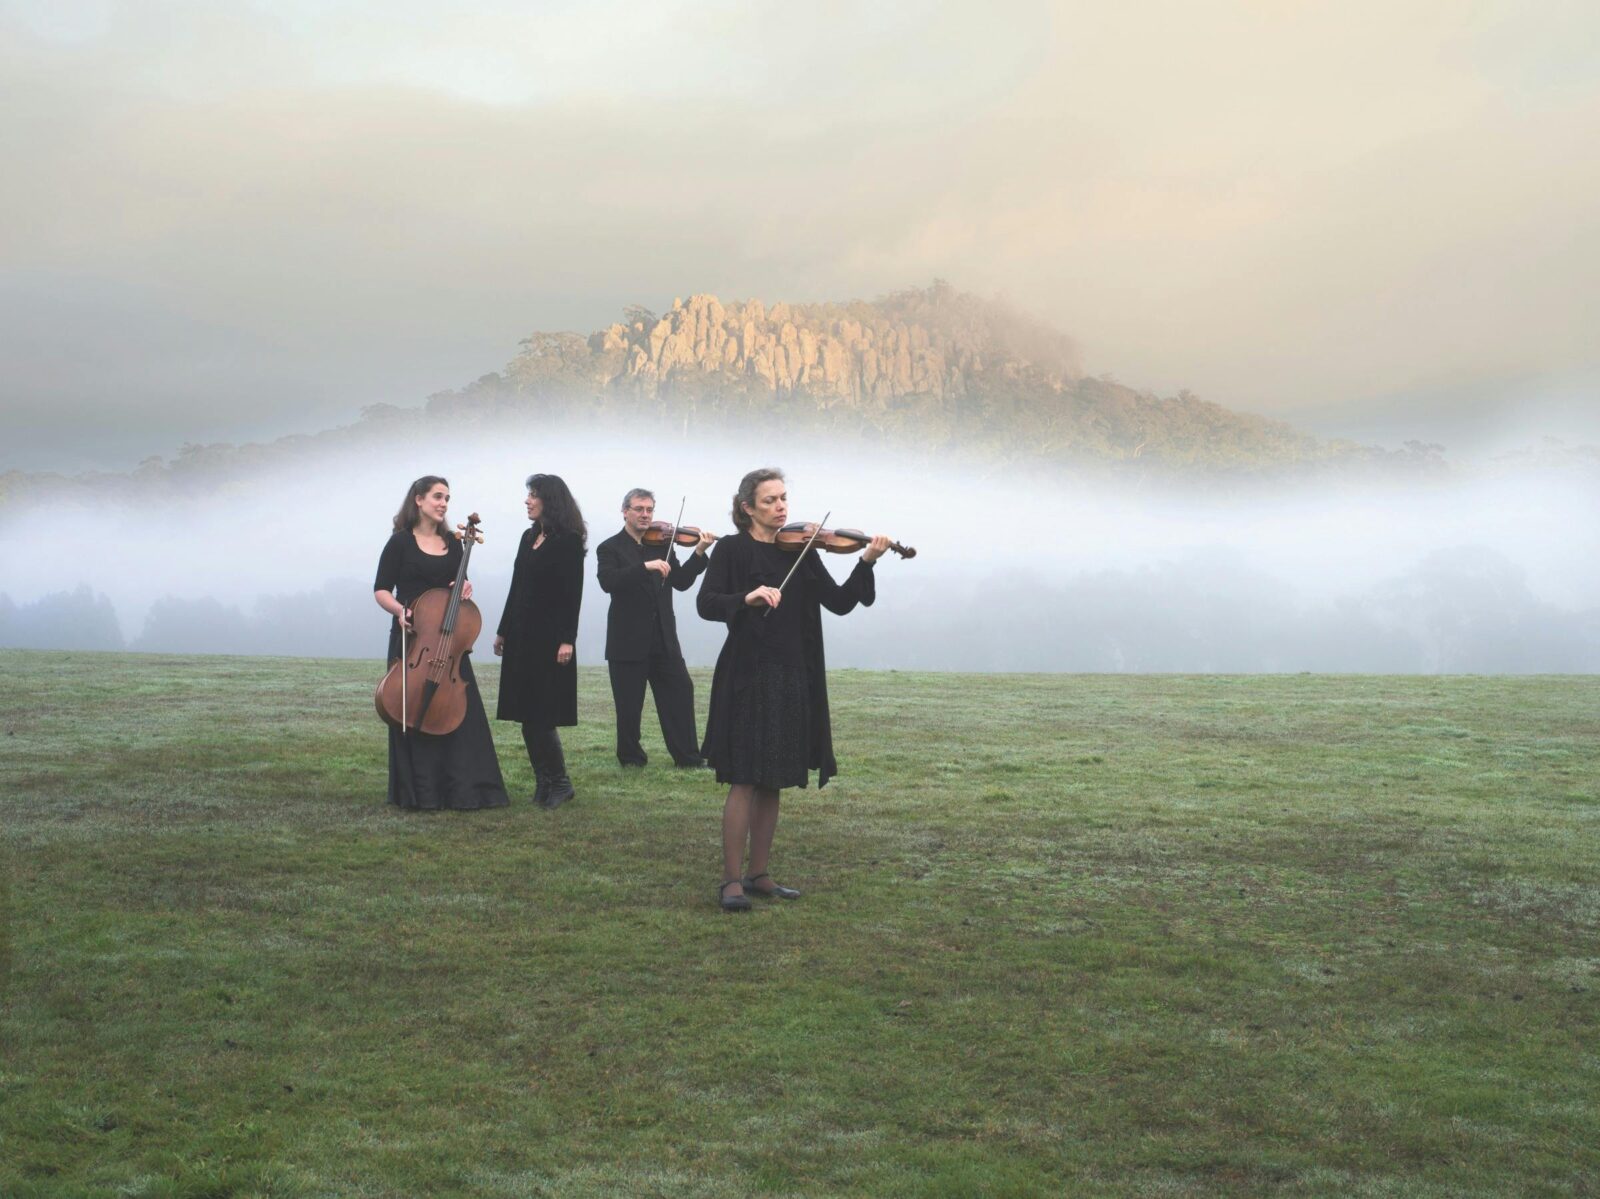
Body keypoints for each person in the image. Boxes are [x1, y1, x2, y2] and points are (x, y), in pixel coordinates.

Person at [696, 467, 889, 911]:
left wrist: (867, 561)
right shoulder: (732, 549)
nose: (781, 507)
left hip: (791, 674)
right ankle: (730, 882)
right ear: (747, 508)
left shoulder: (802, 550)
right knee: (744, 777)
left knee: (774, 781)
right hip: (747, 675)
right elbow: (706, 604)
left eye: (784, 498)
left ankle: (760, 873)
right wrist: (746, 598)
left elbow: (840, 603)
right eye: (770, 501)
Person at [372, 475, 509, 811]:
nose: (444, 503)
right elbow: (381, 590)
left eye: (447, 498)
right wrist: (401, 611)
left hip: (448, 642)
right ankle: (419, 793)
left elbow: (458, 584)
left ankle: (465, 790)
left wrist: (464, 587)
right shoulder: (400, 543)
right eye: (437, 497)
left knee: (460, 714)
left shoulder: (454, 541)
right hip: (413, 636)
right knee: (410, 710)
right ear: (418, 500)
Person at [595, 488, 715, 769]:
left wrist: (699, 552)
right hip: (627, 640)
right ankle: (631, 758)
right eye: (639, 509)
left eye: (649, 509)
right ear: (625, 511)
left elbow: (682, 581)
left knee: (680, 691)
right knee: (628, 705)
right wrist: (644, 567)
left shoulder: (663, 545)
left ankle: (688, 757)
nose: (645, 515)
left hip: (663, 638)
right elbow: (608, 582)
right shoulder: (609, 547)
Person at [494, 473, 586, 809]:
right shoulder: (527, 537)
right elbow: (516, 586)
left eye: (533, 495)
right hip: (521, 636)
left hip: (549, 641)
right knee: (525, 713)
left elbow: (571, 594)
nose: (527, 500)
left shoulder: (569, 541)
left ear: (550, 500)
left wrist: (567, 640)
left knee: (542, 714)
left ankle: (560, 783)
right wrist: (503, 630)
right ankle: (544, 781)